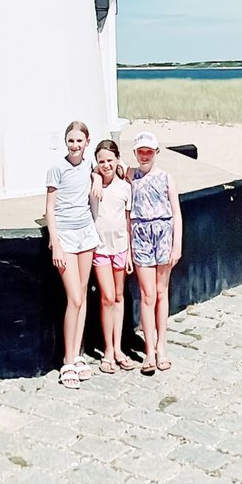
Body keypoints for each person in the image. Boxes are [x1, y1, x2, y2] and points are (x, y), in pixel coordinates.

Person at [45, 120, 99, 388]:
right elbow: (50, 208)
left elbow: (106, 170)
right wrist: (55, 242)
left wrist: (98, 177)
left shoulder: (89, 166)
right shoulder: (57, 169)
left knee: (83, 294)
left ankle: (78, 354)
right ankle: (67, 360)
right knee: (74, 297)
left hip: (86, 234)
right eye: (71, 141)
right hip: (65, 236)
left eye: (79, 141)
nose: (75, 145)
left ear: (87, 141)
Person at [127, 130, 183, 375]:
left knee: (161, 292)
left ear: (156, 153)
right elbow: (104, 167)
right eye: (141, 151)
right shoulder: (131, 176)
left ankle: (162, 345)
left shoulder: (167, 178)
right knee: (146, 294)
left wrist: (177, 244)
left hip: (163, 233)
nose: (145, 155)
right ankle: (149, 349)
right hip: (140, 233)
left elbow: (176, 212)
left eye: (149, 151)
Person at [90, 139, 136, 373]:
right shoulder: (94, 183)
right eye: (101, 161)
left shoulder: (125, 187)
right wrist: (97, 176)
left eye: (110, 160)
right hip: (100, 248)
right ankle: (108, 349)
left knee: (118, 297)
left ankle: (118, 348)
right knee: (106, 297)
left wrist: (128, 252)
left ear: (117, 159)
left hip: (119, 247)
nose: (106, 165)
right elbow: (90, 172)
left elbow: (128, 221)